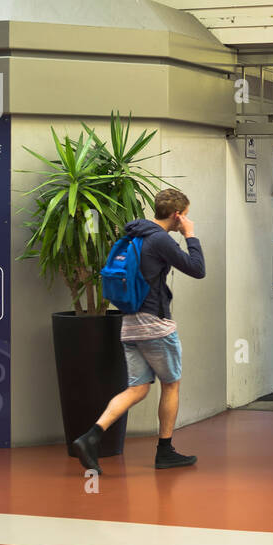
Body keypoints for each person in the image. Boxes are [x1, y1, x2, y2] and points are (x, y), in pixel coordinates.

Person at [71, 188, 206, 474]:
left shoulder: (134, 233)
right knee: (171, 385)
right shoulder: (159, 239)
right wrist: (190, 235)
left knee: (138, 388)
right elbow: (197, 268)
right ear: (177, 215)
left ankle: (91, 436)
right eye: (186, 216)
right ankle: (165, 451)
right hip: (155, 324)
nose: (185, 220)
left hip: (130, 322)